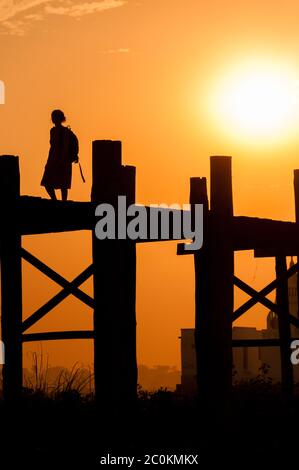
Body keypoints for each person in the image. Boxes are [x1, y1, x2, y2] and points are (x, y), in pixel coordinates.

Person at [41, 109, 78, 201]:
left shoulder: (65, 131)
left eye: (55, 117)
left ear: (60, 118)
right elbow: (52, 147)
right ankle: (55, 200)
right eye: (53, 117)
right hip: (53, 159)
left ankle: (63, 202)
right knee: (47, 182)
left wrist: (63, 159)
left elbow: (65, 147)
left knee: (63, 184)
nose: (53, 119)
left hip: (63, 160)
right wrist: (49, 161)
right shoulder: (52, 131)